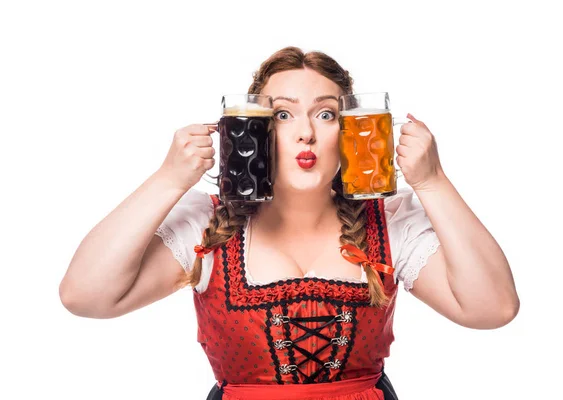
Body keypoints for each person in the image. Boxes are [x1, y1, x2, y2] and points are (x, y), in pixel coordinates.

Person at [59, 46, 520, 400]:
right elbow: (85, 296)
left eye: (326, 113)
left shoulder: (388, 221)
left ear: (349, 130)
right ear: (255, 127)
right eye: (283, 114)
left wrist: (434, 183)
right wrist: (167, 181)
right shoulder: (210, 223)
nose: (306, 131)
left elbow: (493, 309)